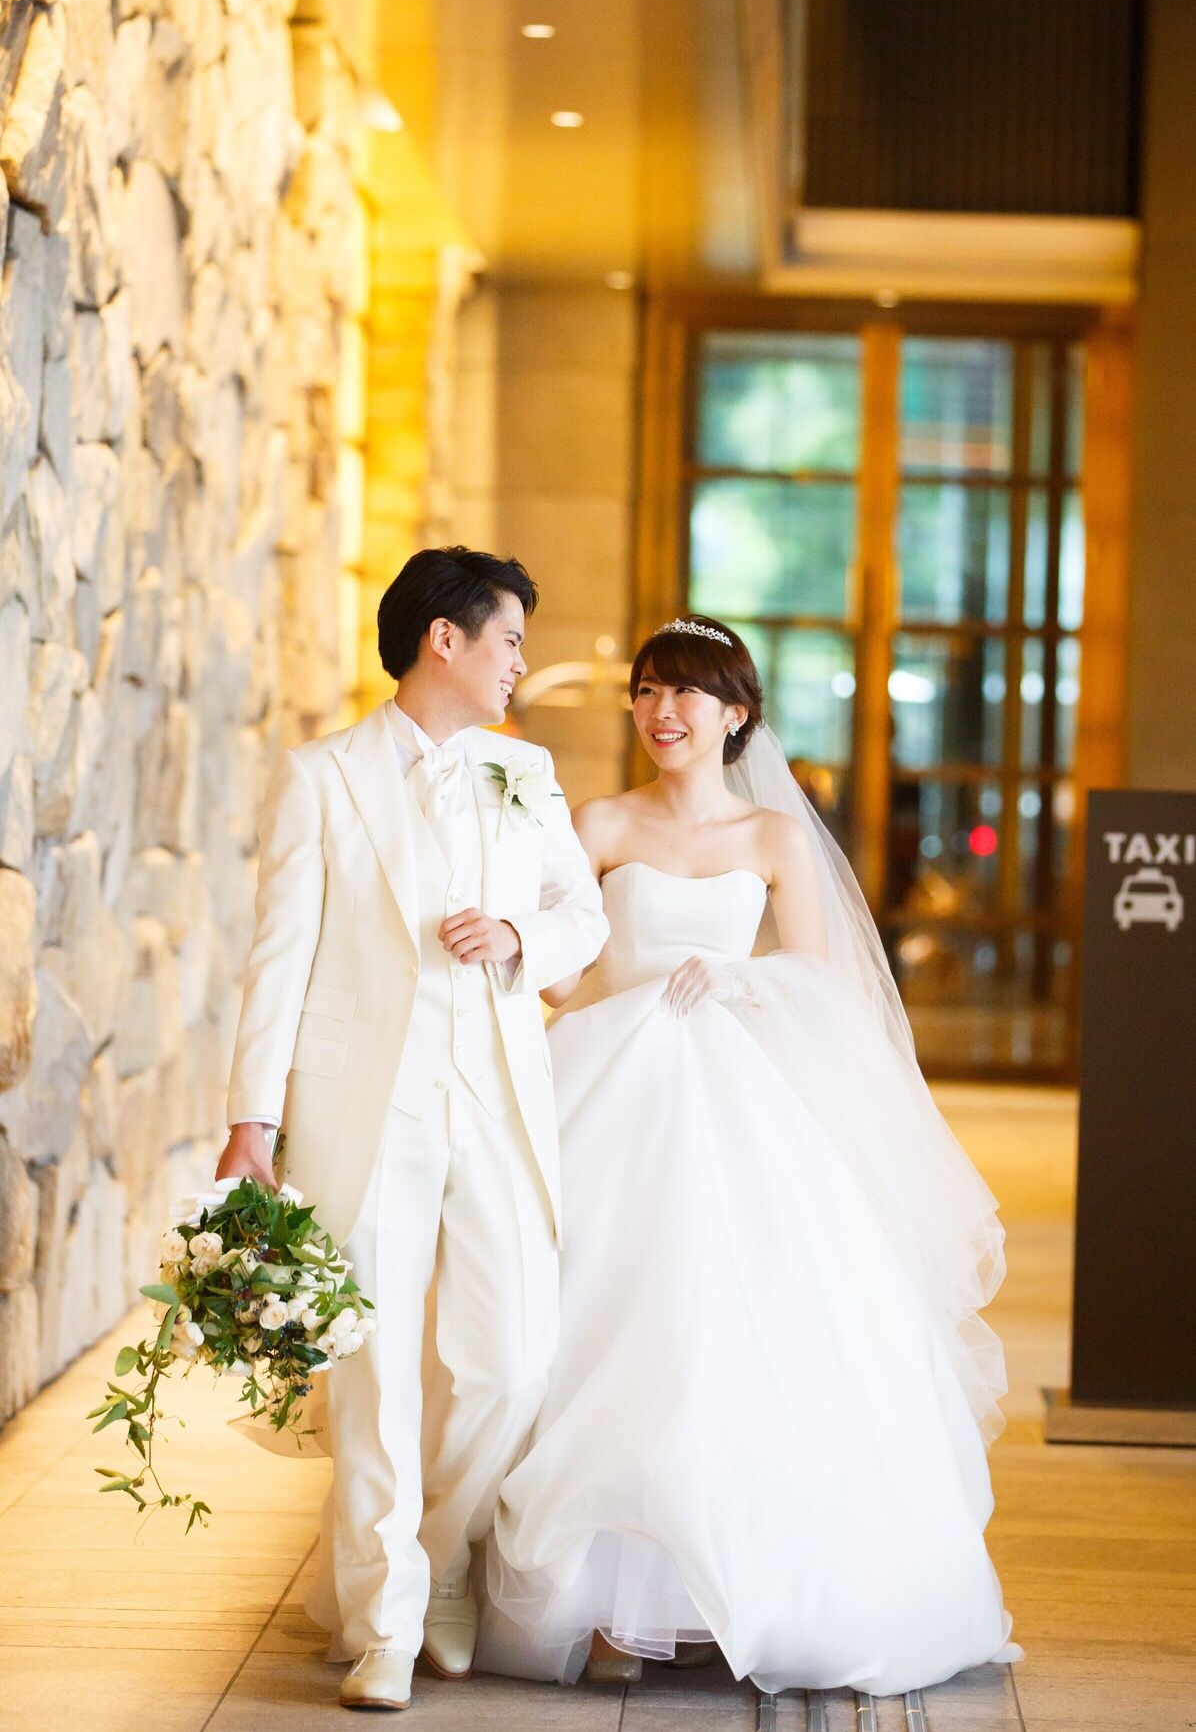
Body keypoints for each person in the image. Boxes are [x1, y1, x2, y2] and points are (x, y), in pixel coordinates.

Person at [477, 615, 1021, 1699]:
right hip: (609, 1078)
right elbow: (563, 971)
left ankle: (728, 1593)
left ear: (734, 715)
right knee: (603, 1318)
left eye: (685, 693)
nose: (661, 711)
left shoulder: (774, 837)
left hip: (732, 1086)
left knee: (732, 1323)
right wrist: (514, 932)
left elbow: (821, 977)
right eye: (646, 690)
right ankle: (603, 1605)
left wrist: (741, 977)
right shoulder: (598, 821)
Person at [216, 547, 609, 1712]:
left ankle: (433, 1555)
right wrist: (252, 1119)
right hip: (361, 1104)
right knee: (371, 1366)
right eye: (509, 639)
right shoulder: (321, 776)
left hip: (495, 1092)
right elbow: (277, 955)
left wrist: (521, 938)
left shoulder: (523, 770)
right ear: (445, 638)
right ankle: (385, 1621)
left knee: (510, 1360)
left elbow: (581, 911)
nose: (520, 662)